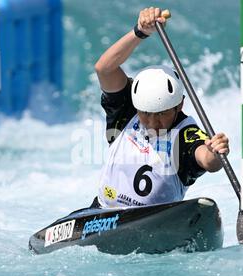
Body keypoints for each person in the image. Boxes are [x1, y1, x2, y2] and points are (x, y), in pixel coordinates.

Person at [93, 7, 229, 208]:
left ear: (179, 105)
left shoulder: (186, 134)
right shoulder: (127, 111)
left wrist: (216, 153)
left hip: (156, 223)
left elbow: (207, 160)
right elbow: (104, 68)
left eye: (162, 114)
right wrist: (140, 32)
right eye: (146, 114)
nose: (152, 122)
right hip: (101, 213)